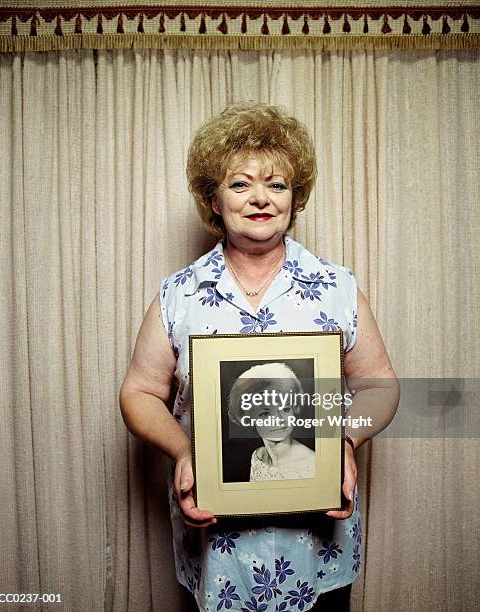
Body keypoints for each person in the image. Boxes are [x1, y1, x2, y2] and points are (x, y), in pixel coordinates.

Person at [119, 102, 399, 612]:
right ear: (213, 198)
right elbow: (138, 392)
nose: (261, 198)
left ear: (295, 197)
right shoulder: (177, 294)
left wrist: (345, 439)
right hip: (218, 550)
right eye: (240, 183)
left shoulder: (338, 288)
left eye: (277, 184)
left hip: (319, 553)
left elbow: (380, 384)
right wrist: (184, 453)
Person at [227, 362, 315, 481]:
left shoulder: (311, 464)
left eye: (285, 409)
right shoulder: (258, 456)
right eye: (265, 414)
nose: (278, 420)